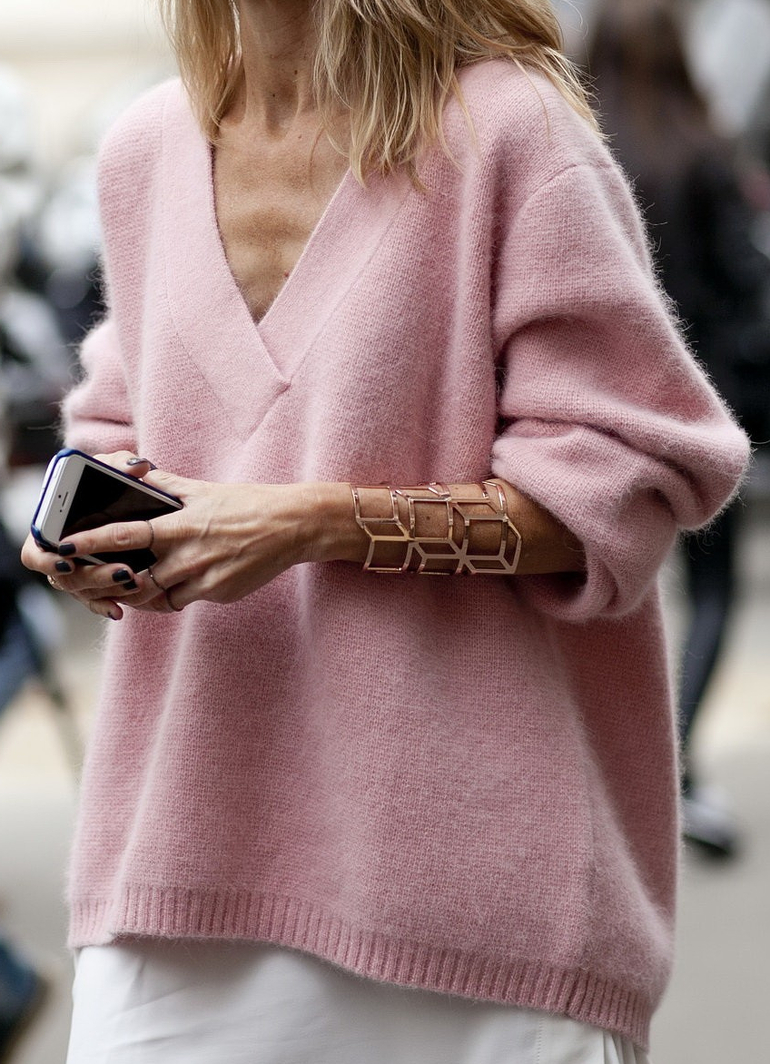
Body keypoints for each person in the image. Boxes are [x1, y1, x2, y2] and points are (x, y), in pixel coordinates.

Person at [21, 1, 749, 1061]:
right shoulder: (145, 148)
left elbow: (625, 478)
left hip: (479, 905)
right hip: (177, 865)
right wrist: (96, 541)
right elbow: (118, 419)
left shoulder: (509, 131)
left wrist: (318, 520)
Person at [588, 0, 770, 858]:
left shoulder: (576, 155)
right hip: (701, 415)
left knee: (605, 589)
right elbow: (745, 289)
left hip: (594, 416)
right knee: (711, 594)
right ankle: (680, 763)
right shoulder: (703, 154)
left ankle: (616, 773)